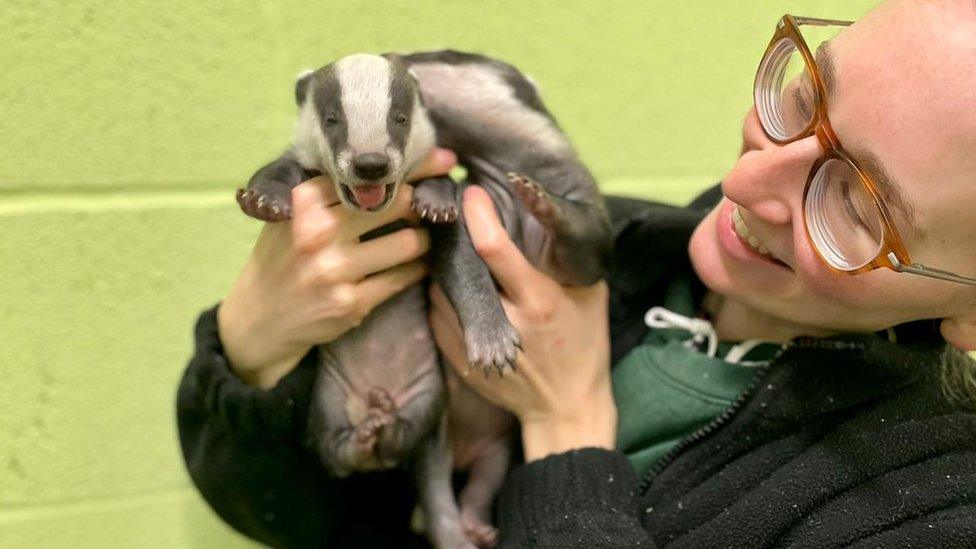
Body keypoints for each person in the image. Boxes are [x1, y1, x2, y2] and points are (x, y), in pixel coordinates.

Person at [177, 0, 976, 546]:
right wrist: (253, 346)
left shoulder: (933, 505)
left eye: (857, 205)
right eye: (803, 97)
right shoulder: (625, 245)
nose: (744, 184)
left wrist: (565, 427)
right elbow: (312, 518)